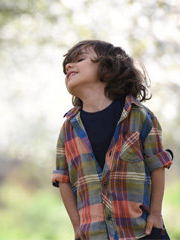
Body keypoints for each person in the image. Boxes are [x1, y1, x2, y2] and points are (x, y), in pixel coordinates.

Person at [51, 40, 173, 240]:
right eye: (66, 67)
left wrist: (156, 214)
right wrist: (76, 225)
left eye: (79, 59)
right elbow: (63, 180)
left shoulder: (140, 116)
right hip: (95, 234)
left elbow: (157, 165)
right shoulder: (68, 129)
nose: (68, 67)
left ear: (108, 67)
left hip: (142, 232)